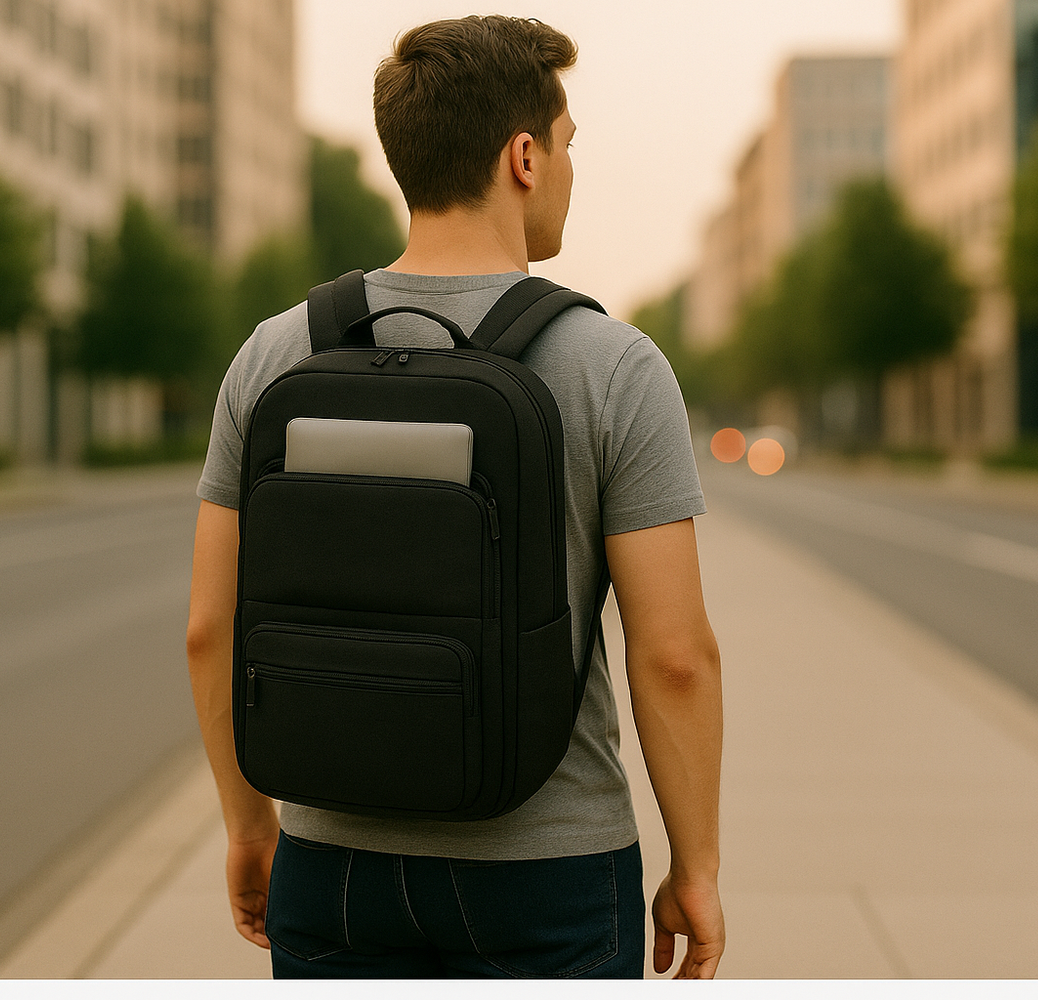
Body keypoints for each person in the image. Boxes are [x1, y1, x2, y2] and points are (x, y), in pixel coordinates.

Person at [185, 14, 724, 979]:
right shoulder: (612, 365)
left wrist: (249, 825)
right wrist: (697, 864)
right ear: (523, 155)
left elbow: (208, 628)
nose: (568, 170)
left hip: (333, 863)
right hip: (549, 871)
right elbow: (674, 655)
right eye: (566, 146)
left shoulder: (275, 353)